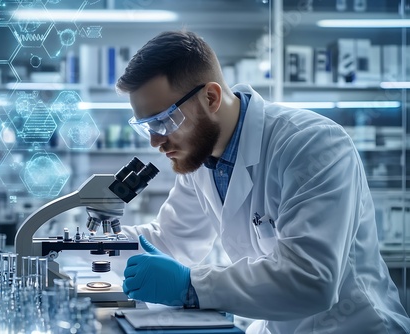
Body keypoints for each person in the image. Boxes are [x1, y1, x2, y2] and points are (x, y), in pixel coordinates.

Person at [115, 30, 410, 334]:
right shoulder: (200, 161)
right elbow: (168, 241)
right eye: (146, 126)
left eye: (164, 121)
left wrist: (190, 285)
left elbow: (311, 281)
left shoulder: (312, 145)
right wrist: (86, 244)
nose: (155, 141)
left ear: (211, 98)